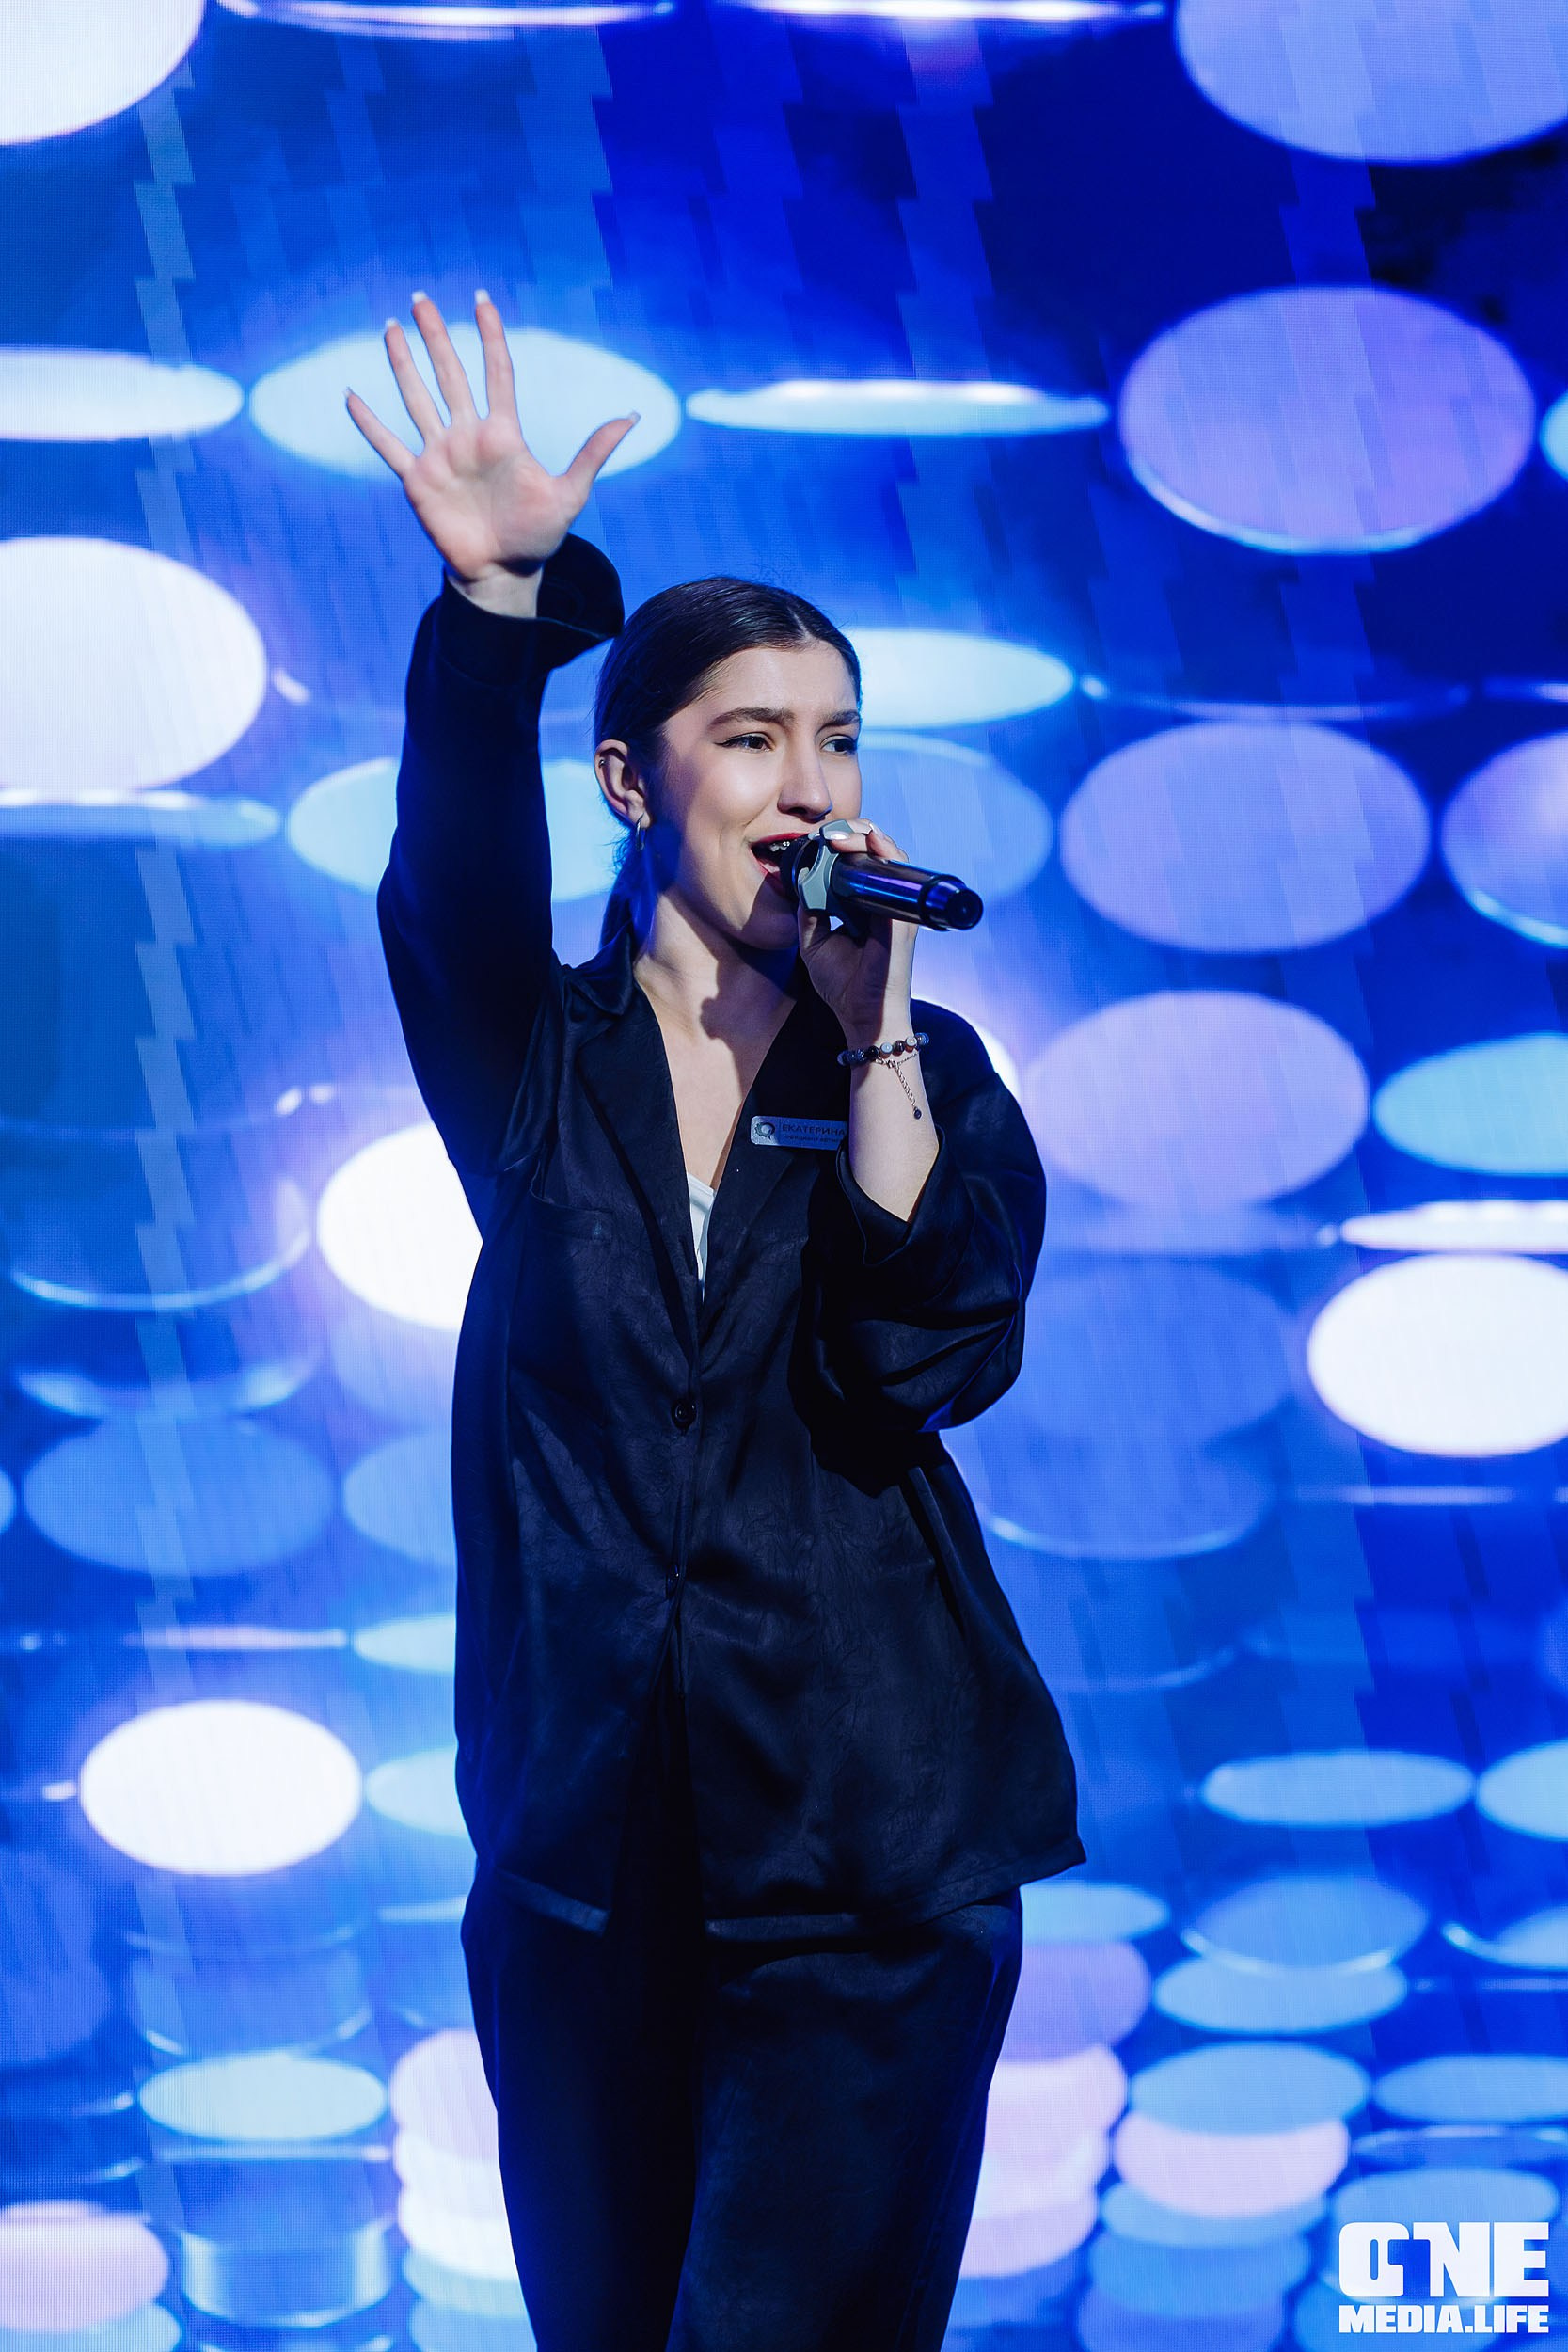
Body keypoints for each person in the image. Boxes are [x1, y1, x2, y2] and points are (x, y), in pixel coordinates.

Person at [348, 291, 1082, 2352]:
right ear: (631, 781)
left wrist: (878, 1039)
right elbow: (446, 887)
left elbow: (926, 1352)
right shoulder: (539, 1067)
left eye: (837, 738)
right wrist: (495, 608)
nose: (807, 781)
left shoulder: (921, 1074)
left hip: (869, 1872)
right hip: (588, 1867)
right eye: (751, 736)